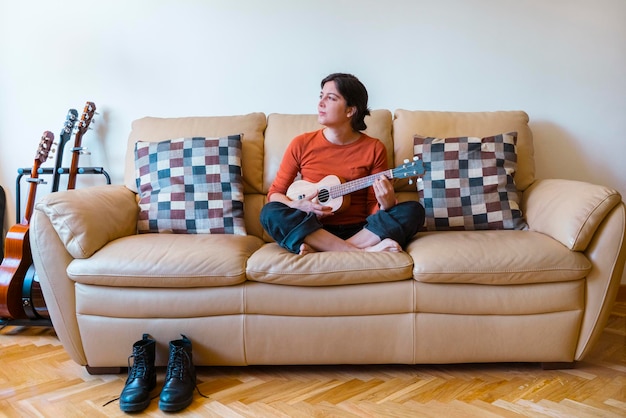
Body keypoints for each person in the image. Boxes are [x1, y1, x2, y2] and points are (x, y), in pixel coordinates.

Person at [260, 73, 424, 255]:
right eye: (321, 96)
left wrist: (385, 205)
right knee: (270, 212)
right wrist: (296, 206)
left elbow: (372, 208)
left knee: (414, 210)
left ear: (350, 110)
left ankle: (325, 249)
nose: (320, 103)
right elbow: (275, 194)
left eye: (330, 98)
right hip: (312, 227)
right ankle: (363, 252)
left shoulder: (374, 148)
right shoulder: (301, 143)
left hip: (361, 230)